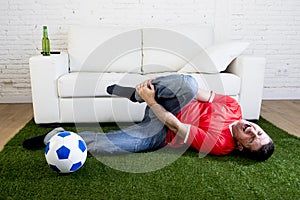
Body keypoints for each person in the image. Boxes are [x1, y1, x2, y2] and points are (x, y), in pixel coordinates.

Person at [23, 74, 274, 161]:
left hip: (160, 130)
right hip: (172, 101)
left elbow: (174, 125)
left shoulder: (221, 145)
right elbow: (199, 93)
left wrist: (151, 101)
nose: (253, 131)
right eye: (259, 132)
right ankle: (135, 94)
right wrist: (153, 95)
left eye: (251, 139)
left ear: (240, 147)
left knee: (114, 145)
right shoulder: (233, 106)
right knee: (188, 83)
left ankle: (56, 136)